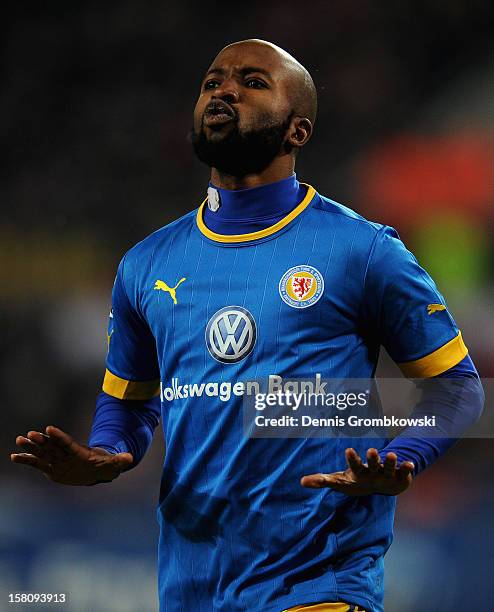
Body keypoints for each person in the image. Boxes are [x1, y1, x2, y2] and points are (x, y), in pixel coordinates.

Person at [11, 39, 484, 612]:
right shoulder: (146, 264)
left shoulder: (362, 251)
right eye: (213, 82)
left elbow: (457, 386)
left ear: (297, 132)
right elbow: (131, 401)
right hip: (189, 588)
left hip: (317, 586)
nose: (225, 90)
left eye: (254, 83)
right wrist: (109, 452)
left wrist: (406, 456)